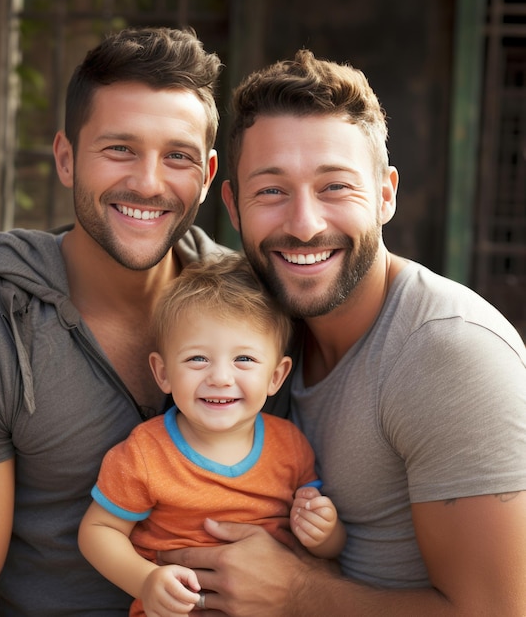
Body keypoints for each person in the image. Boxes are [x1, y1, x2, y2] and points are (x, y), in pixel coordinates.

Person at [161, 50, 526, 615]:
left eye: (335, 187)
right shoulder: (260, 326)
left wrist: (297, 591)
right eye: (271, 191)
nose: (305, 224)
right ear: (232, 205)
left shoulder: (450, 353)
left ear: (386, 194)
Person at [0, 26, 233, 616]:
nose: (148, 183)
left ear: (206, 176)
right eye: (119, 149)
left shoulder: (251, 308)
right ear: (65, 158)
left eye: (177, 156)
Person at [78, 254, 346, 617]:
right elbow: (98, 530)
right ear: (163, 373)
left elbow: (325, 548)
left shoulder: (290, 446)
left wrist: (325, 533)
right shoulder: (146, 452)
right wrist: (145, 581)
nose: (220, 377)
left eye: (245, 360)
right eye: (197, 359)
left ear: (276, 377)